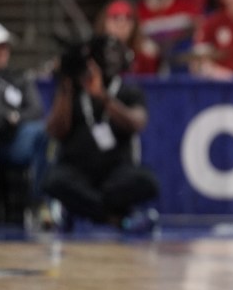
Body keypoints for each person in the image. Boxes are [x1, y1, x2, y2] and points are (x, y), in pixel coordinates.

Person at [43, 35, 159, 231]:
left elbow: (137, 123)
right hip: (76, 170)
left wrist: (102, 96)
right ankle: (119, 219)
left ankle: (79, 208)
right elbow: (55, 130)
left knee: (146, 182)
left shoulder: (128, 90)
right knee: (54, 181)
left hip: (115, 172)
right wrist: (66, 86)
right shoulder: (70, 89)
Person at [0, 22, 49, 216]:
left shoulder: (17, 77)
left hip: (12, 139)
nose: (3, 52)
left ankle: (38, 203)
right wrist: (1, 115)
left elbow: (36, 109)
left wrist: (15, 116)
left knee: (43, 132)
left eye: (5, 47)